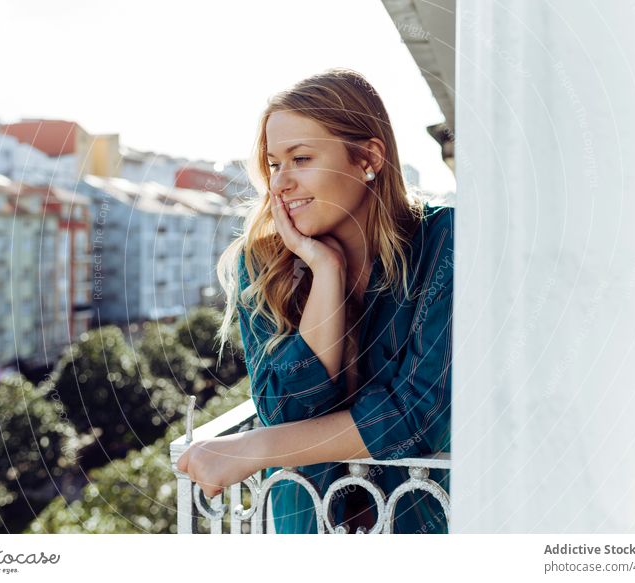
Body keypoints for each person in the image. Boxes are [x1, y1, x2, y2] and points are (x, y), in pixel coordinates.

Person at [176, 67, 453, 534]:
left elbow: (416, 415)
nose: (280, 183)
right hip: (304, 528)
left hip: (421, 526)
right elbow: (287, 412)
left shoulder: (445, 242)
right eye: (274, 164)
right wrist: (327, 272)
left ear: (368, 157)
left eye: (300, 158)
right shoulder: (262, 264)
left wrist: (253, 449)